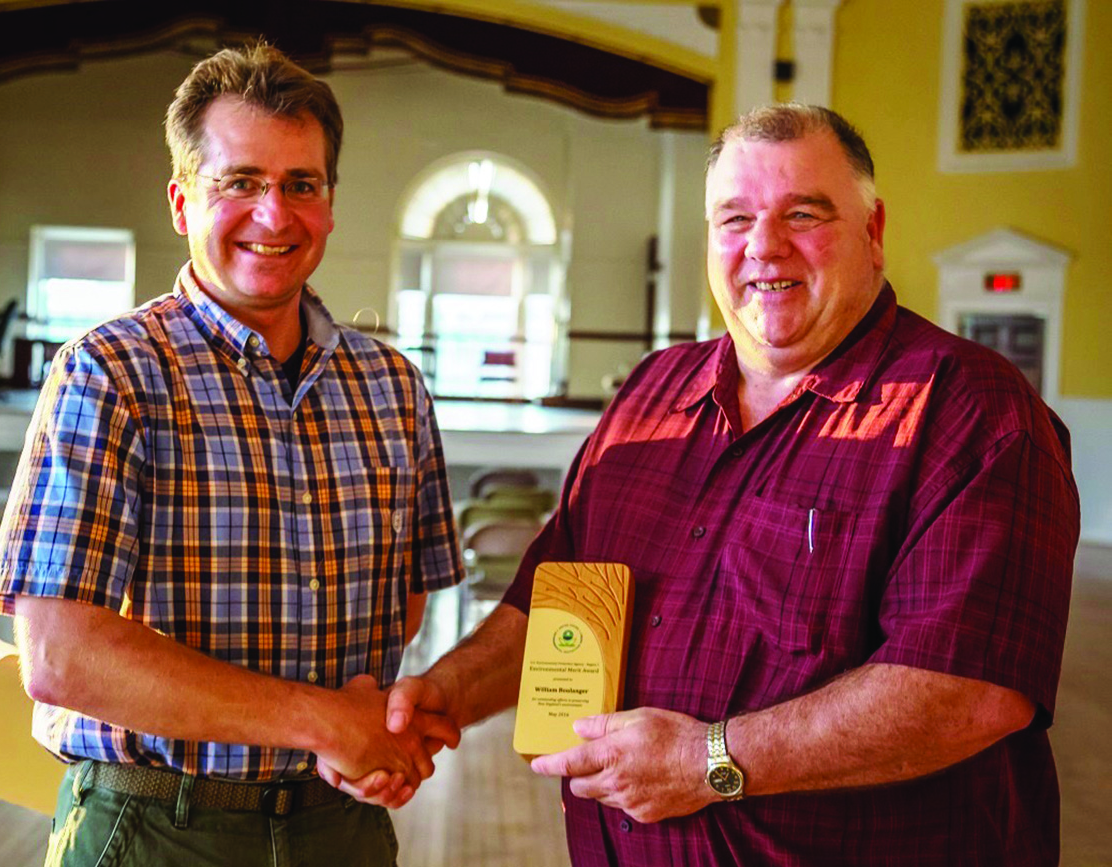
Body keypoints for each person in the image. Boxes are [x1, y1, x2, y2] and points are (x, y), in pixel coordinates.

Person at [381, 104, 1080, 865]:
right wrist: (445, 692)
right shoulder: (651, 393)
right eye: (734, 218)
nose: (763, 246)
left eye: (803, 214)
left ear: (872, 232)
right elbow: (560, 595)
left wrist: (706, 762)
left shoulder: (971, 411)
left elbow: (968, 692)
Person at [0, 43, 463, 866]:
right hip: (156, 826)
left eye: (300, 185)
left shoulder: (391, 385)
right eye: (239, 181)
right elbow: (62, 657)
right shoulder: (111, 371)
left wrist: (361, 725)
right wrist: (319, 718)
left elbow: (403, 602)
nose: (274, 215)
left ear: (330, 203)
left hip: (338, 824)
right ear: (180, 201)